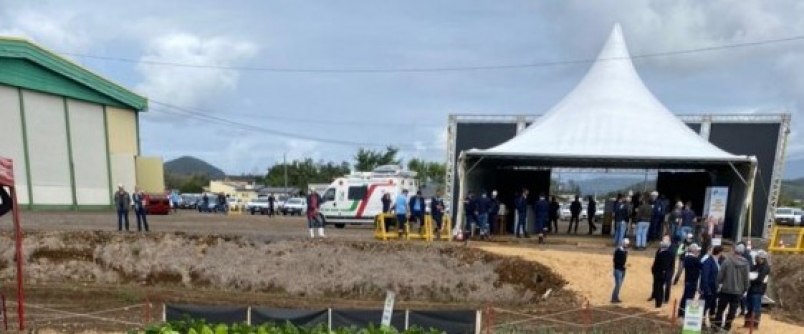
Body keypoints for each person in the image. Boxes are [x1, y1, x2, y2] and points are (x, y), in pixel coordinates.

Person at [713, 244, 751, 331]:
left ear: (735, 251)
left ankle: (716, 326)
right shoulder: (746, 264)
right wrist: (745, 289)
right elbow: (746, 278)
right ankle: (727, 326)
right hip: (738, 291)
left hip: (725, 290)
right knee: (732, 310)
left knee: (720, 308)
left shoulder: (727, 261)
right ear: (743, 252)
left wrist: (718, 284)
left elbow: (720, 275)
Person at [744, 250, 770, 330]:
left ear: (761, 258)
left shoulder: (765, 267)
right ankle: (747, 323)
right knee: (749, 307)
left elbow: (759, 280)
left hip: (758, 290)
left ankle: (754, 324)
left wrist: (749, 281)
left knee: (756, 307)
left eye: (757, 257)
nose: (755, 258)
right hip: (752, 289)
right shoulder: (756, 266)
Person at [700, 246, 723, 328]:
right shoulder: (708, 262)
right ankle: (701, 323)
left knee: (711, 307)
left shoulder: (716, 261)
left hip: (714, 289)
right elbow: (704, 277)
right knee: (705, 307)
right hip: (709, 289)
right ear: (720, 252)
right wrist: (706, 289)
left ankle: (710, 323)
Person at [678, 243, 702, 317]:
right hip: (692, 281)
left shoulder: (687, 258)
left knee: (685, 296)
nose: (698, 252)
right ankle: (684, 313)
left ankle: (681, 312)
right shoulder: (694, 259)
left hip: (688, 280)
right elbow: (701, 266)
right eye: (697, 250)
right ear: (694, 251)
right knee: (689, 297)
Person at [649, 238, 674, 308]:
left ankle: (658, 303)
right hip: (665, 273)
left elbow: (656, 264)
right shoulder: (670, 254)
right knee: (661, 287)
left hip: (659, 273)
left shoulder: (660, 254)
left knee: (658, 287)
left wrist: (653, 270)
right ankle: (661, 300)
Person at [611, 238, 630, 304]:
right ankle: (614, 298)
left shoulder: (625, 251)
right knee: (618, 284)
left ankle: (615, 297)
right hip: (618, 270)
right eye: (626, 244)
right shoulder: (618, 251)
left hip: (622, 269)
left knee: (619, 284)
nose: (627, 246)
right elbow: (615, 260)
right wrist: (623, 265)